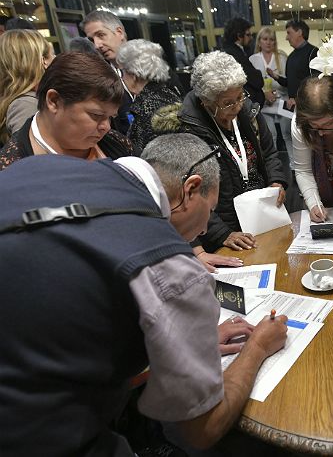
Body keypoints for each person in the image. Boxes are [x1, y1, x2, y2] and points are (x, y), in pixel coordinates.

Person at [0, 133, 289, 455]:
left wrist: (185, 338)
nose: (205, 230)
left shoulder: (43, 168)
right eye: (208, 212)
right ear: (191, 189)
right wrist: (258, 346)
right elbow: (201, 430)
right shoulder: (172, 269)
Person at [155, 51, 287, 253]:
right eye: (227, 102)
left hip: (262, 216)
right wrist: (221, 233)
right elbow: (184, 195)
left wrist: (276, 180)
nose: (237, 107)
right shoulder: (187, 129)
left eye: (240, 96)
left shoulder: (248, 113)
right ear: (205, 101)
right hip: (221, 230)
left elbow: (269, 152)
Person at [0, 52, 132, 171]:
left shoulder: (117, 144)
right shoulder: (11, 169)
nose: (106, 127)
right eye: (96, 115)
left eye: (110, 117)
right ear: (54, 101)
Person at [292, 76, 333, 236]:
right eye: (314, 126)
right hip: (325, 201)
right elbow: (303, 170)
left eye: (327, 125)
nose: (320, 133)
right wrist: (314, 203)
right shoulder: (301, 123)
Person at [115, 39, 181, 155]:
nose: (122, 78)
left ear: (133, 75)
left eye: (123, 72)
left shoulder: (145, 108)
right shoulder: (170, 94)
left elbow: (140, 154)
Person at [81, 10, 134, 134]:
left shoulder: (153, 68)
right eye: (91, 39)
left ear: (119, 32)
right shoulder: (97, 79)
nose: (97, 45)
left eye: (101, 35)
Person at [0, 29, 55, 143]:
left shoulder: (27, 99)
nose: (55, 58)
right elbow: (33, 157)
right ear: (43, 60)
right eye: (52, 54)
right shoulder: (25, 105)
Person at [250, 26, 293, 165]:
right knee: (270, 136)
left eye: (272, 40)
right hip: (264, 103)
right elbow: (250, 84)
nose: (268, 42)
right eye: (265, 39)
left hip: (283, 101)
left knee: (288, 135)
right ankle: (274, 167)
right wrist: (264, 94)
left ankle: (294, 166)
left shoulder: (282, 57)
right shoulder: (253, 59)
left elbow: (288, 82)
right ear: (259, 41)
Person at [268, 19, 318, 111]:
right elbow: (290, 83)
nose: (286, 38)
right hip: (293, 109)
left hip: (310, 108)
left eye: (289, 33)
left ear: (299, 32)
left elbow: (317, 83)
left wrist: (299, 100)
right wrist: (276, 77)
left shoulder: (314, 52)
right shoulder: (291, 57)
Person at [221, 17, 265, 107]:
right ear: (239, 36)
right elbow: (257, 80)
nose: (251, 38)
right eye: (248, 35)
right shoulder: (235, 54)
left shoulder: (231, 51)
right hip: (244, 104)